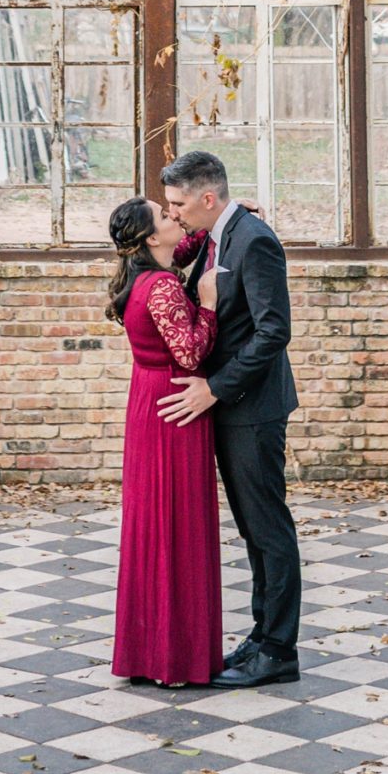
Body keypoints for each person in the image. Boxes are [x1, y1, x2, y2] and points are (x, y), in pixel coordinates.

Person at [157, 149, 301, 685]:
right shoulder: (221, 233)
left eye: (178, 205)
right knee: (252, 529)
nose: (173, 215)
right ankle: (263, 635)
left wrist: (214, 388)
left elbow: (273, 331)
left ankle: (278, 651)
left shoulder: (254, 240)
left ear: (207, 198)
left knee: (268, 530)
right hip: (232, 408)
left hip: (253, 410)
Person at [106, 196, 224, 688]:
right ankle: (174, 659)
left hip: (148, 399)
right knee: (176, 522)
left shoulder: (144, 274)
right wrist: (211, 302)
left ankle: (149, 651)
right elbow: (191, 350)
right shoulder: (161, 289)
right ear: (151, 238)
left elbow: (188, 240)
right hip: (175, 403)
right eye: (164, 214)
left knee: (154, 521)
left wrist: (224, 216)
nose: (174, 216)